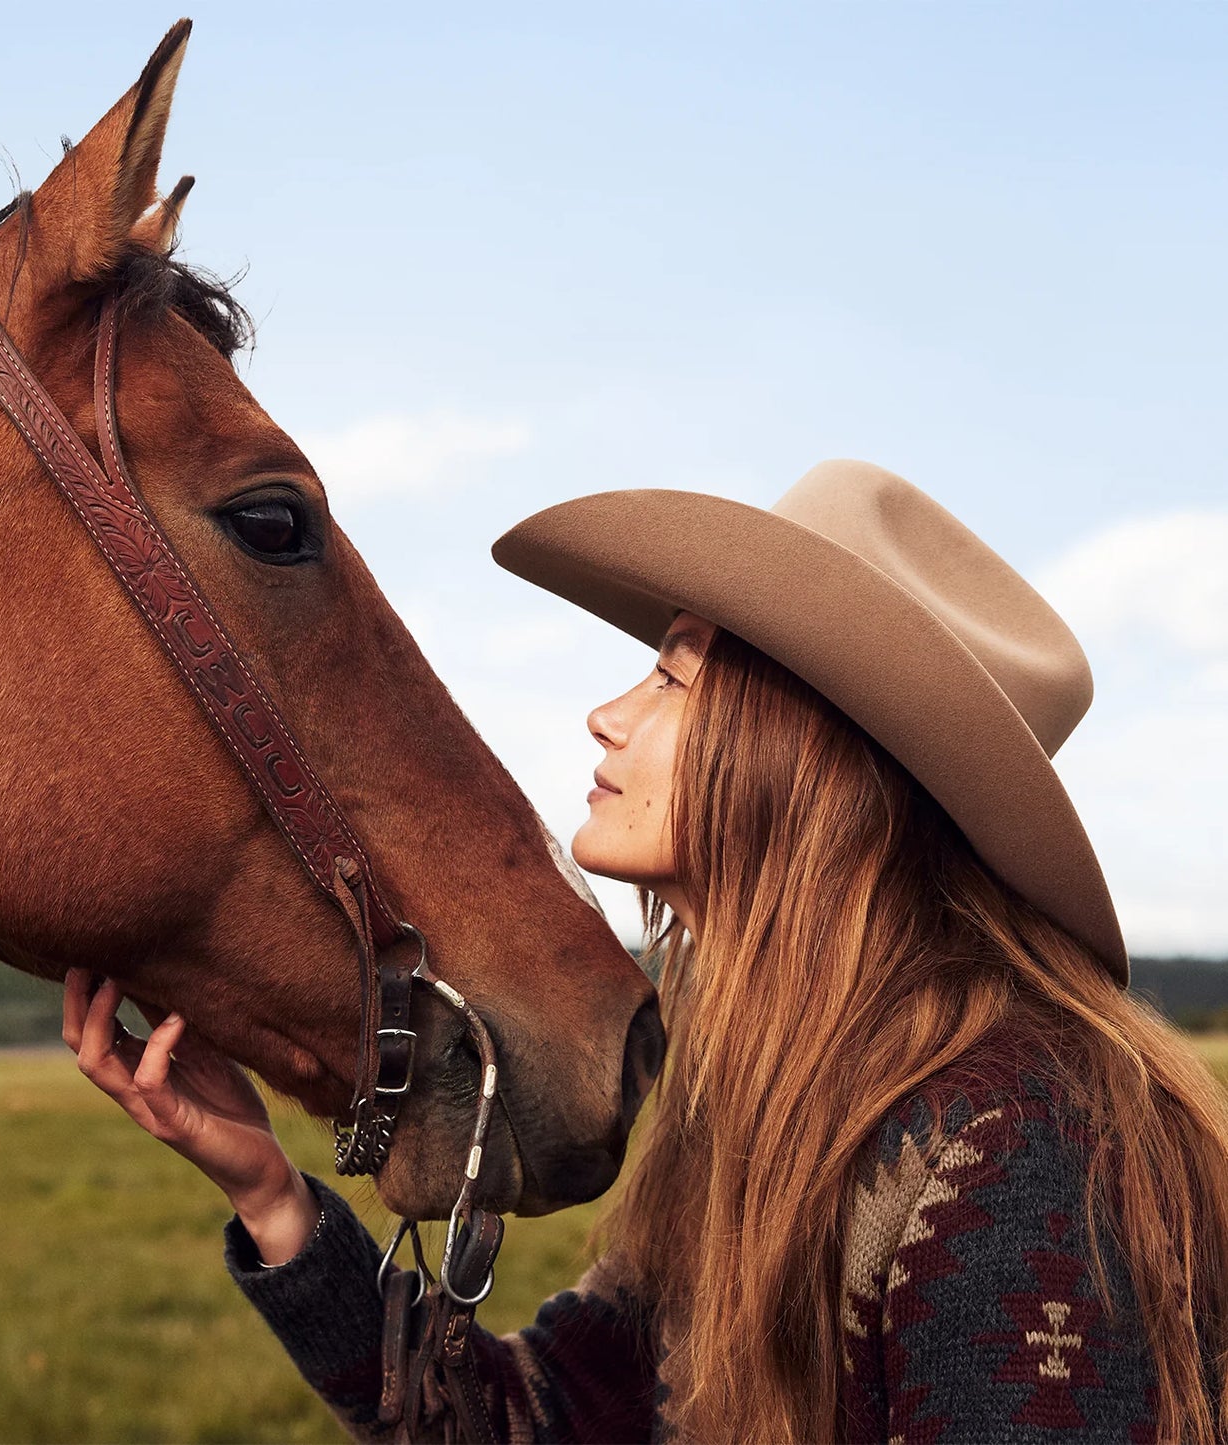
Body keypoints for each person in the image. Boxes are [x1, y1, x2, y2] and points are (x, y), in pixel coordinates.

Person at [64, 460, 1228, 1443]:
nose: (607, 713)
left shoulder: (1016, 1142)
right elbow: (540, 1418)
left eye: (671, 673)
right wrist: (271, 1196)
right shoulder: (770, 1104)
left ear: (801, 747)